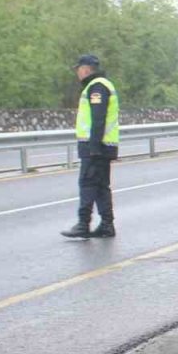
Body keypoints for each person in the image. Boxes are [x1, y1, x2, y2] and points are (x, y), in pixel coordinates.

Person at [61, 54, 120, 238]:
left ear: (86, 69)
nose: (77, 73)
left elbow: (98, 117)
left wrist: (94, 147)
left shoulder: (97, 87)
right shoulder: (101, 85)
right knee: (101, 186)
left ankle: (83, 224)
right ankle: (107, 225)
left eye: (78, 69)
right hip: (103, 145)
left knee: (87, 184)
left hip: (95, 146)